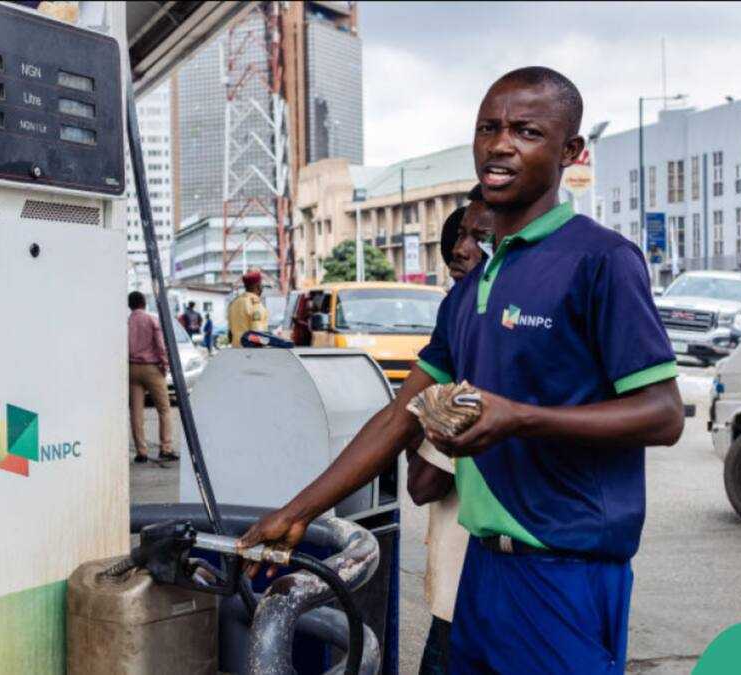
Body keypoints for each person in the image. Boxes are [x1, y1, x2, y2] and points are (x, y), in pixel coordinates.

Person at [239, 66, 683, 674]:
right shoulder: (473, 286)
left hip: (566, 576)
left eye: (527, 131)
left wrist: (519, 419)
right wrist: (297, 513)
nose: (501, 145)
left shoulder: (601, 260)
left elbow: (663, 413)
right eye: (488, 128)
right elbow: (400, 416)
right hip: (482, 573)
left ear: (570, 151)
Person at [407, 184, 491, 675]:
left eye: (477, 238)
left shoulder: (477, 360)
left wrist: (422, 427)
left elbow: (423, 483)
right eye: (458, 237)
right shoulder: (461, 320)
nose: (459, 251)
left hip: (467, 588)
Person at [127, 291, 178, 464]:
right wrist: (164, 365)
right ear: (143, 303)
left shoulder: (126, 322)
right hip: (151, 368)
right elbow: (160, 344)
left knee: (136, 412)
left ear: (130, 305)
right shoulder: (151, 320)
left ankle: (141, 452)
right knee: (164, 409)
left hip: (132, 368)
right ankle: (166, 448)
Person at [226, 269, 268, 347]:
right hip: (251, 353)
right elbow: (258, 335)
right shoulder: (255, 305)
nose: (262, 288)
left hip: (235, 351)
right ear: (257, 286)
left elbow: (230, 335)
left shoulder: (234, 303)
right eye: (261, 285)